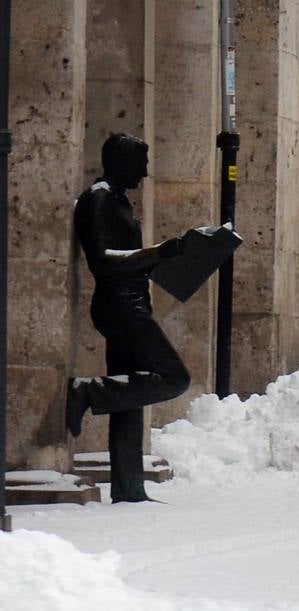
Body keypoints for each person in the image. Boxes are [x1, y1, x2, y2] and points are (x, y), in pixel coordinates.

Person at [67, 133, 191, 503]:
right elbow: (103, 262)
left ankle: (129, 487)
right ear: (122, 161)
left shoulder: (116, 200)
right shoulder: (98, 199)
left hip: (132, 302)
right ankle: (88, 391)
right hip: (120, 306)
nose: (147, 171)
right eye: (142, 162)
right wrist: (157, 253)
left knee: (130, 394)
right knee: (174, 377)